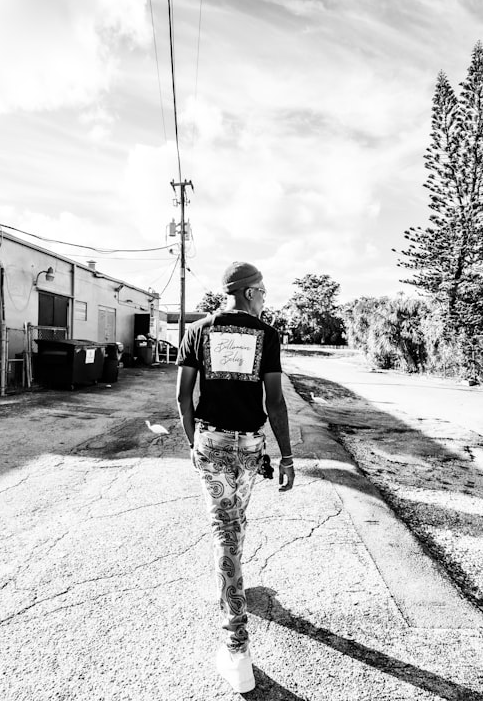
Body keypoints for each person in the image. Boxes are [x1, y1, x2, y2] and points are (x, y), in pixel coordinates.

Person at [176, 261, 294, 694]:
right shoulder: (266, 336)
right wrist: (287, 457)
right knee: (231, 527)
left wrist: (194, 443)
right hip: (247, 446)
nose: (265, 299)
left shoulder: (197, 330)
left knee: (228, 527)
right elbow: (276, 402)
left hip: (211, 442)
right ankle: (236, 644)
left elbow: (182, 396)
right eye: (262, 292)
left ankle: (234, 588)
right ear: (248, 292)